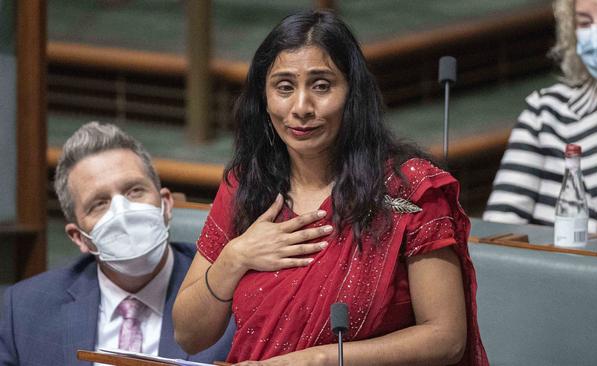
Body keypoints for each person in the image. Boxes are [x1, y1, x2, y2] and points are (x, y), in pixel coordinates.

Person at [173, 10, 488, 365]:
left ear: (353, 92)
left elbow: (445, 339)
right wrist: (234, 258)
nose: (302, 107)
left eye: (322, 85)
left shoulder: (409, 191)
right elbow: (189, 336)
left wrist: (320, 360)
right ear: (263, 97)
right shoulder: (247, 185)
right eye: (284, 87)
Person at [0, 122, 234, 365]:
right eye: (99, 203)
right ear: (79, 238)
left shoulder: (228, 292)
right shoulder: (27, 308)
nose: (123, 211)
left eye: (134, 191)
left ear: (165, 204)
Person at [484, 0, 597, 239]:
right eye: (584, 22)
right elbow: (499, 228)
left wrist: (585, 263)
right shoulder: (544, 111)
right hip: (537, 275)